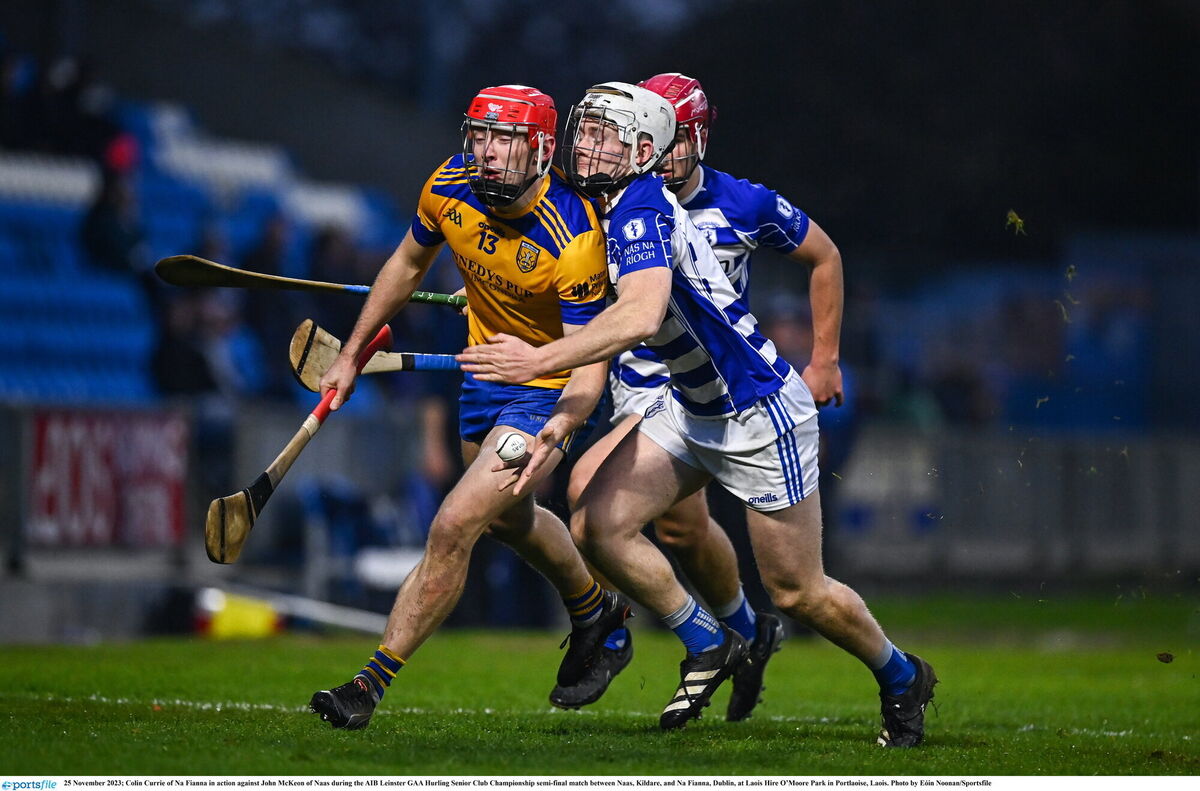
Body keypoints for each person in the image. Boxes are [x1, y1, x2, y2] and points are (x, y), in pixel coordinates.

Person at [459, 82, 937, 745]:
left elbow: (641, 314)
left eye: (605, 135)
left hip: (757, 411)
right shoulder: (606, 203)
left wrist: (539, 356)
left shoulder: (639, 207)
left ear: (643, 151)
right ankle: (710, 637)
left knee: (799, 591)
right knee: (597, 523)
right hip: (688, 408)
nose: (585, 144)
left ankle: (900, 674)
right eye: (585, 131)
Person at [309, 85, 625, 731]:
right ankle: (596, 610)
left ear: (540, 148)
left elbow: (592, 360)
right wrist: (351, 352)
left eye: (504, 139)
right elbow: (406, 263)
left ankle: (368, 684)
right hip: (482, 379)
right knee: (512, 521)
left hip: (550, 386)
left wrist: (564, 423)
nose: (486, 152)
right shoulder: (449, 185)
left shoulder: (575, 235)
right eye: (479, 135)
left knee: (455, 523)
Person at [550, 73, 846, 719]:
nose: (667, 149)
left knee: (592, 497)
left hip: (700, 380)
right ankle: (738, 629)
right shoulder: (613, 198)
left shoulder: (741, 204)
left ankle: (643, 633)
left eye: (681, 137)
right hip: (639, 375)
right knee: (668, 526)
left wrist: (824, 359)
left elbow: (825, 256)